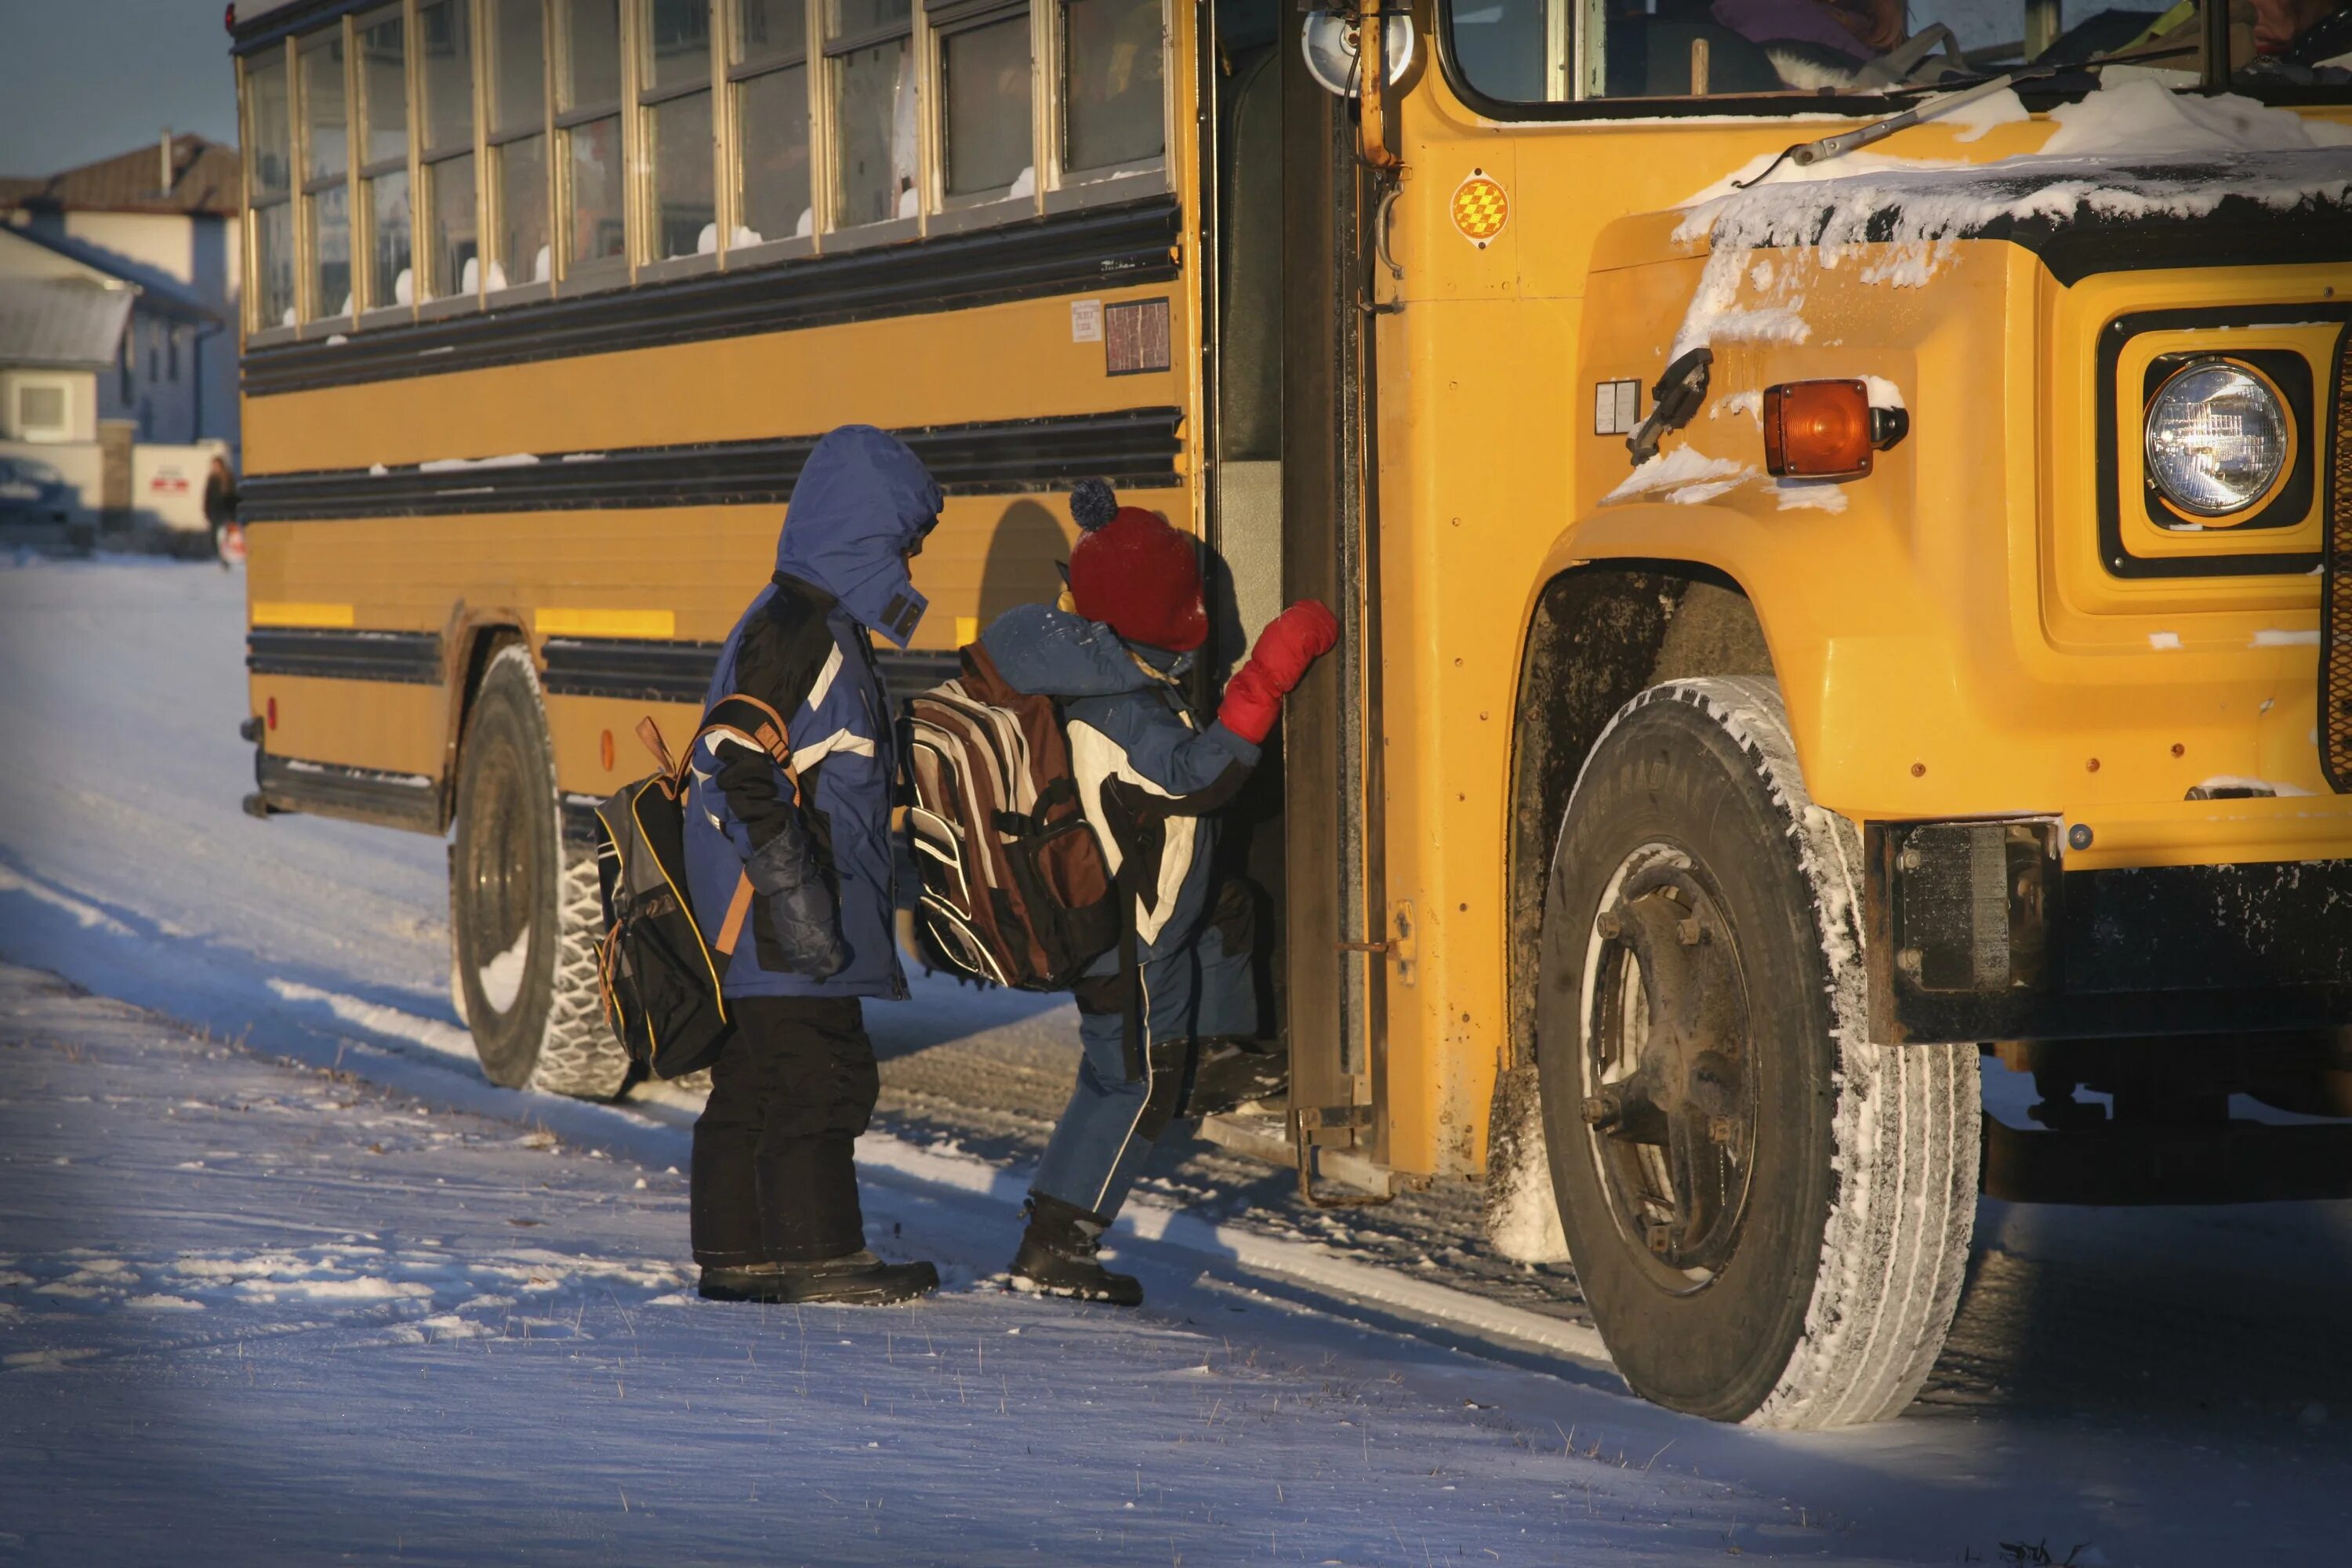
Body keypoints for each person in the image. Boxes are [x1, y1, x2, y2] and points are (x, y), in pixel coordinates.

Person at [980, 480, 1338, 1305]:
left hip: (1134, 922)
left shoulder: (1087, 681)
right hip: (1129, 935)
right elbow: (1201, 775)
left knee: (1209, 937)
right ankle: (1058, 1245)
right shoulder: (1129, 710)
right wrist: (1271, 669)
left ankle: (1206, 1060)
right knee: (1126, 1080)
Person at [680, 425, 943, 1307]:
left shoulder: (810, 615)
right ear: (863, 528)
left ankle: (739, 1253)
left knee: (757, 1077)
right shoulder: (799, 630)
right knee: (822, 1076)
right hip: (785, 908)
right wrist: (794, 894)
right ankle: (817, 1251)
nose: (911, 555)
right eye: (904, 536)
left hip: (782, 903)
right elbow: (732, 753)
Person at [203, 455, 243, 569]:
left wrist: (232, 512)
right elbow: (208, 497)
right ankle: (222, 558)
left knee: (225, 536)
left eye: (216, 465)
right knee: (216, 538)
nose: (214, 468)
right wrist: (207, 511)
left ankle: (227, 558)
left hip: (226, 512)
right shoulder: (211, 479)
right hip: (215, 513)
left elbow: (233, 496)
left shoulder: (228, 478)